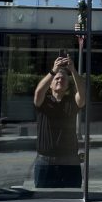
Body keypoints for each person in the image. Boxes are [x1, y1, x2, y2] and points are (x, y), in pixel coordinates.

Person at [33, 54, 86, 188]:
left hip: (70, 161)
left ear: (67, 86)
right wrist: (53, 71)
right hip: (45, 162)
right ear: (50, 85)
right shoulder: (43, 102)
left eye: (63, 79)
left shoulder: (71, 102)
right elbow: (38, 92)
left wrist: (73, 70)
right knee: (43, 199)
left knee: (72, 198)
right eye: (57, 78)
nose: (59, 80)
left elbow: (82, 95)